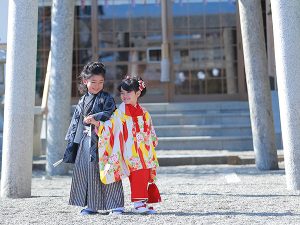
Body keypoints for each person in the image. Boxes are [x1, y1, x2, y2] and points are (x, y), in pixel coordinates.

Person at [88, 76, 161, 214]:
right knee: (131, 169)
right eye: (122, 93)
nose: (124, 96)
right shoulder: (119, 112)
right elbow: (110, 127)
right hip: (125, 150)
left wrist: (151, 143)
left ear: (138, 93)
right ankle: (132, 203)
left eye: (128, 92)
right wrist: (97, 124)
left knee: (142, 172)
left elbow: (150, 130)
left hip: (142, 150)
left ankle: (139, 203)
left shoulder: (145, 113)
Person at [64, 62, 125, 215]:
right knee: (89, 172)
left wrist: (95, 118)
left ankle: (116, 205)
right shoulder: (82, 100)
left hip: (104, 140)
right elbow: (76, 122)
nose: (97, 86)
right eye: (93, 82)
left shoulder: (107, 98)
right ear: (85, 81)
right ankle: (92, 205)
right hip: (86, 141)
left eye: (101, 82)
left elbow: (112, 114)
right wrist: (73, 144)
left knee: (109, 169)